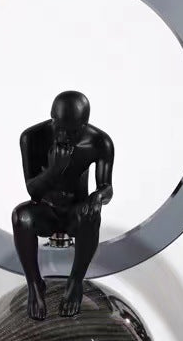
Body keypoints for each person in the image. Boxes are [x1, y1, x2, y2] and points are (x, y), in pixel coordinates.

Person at [11, 91, 114, 320]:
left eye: (73, 131)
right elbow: (33, 191)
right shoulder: (32, 137)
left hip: (75, 212)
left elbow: (106, 187)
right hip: (45, 210)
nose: (65, 136)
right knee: (21, 216)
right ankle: (35, 284)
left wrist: (97, 198)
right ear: (52, 118)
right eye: (60, 128)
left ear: (84, 125)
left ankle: (75, 282)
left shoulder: (99, 142)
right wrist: (54, 170)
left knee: (92, 215)